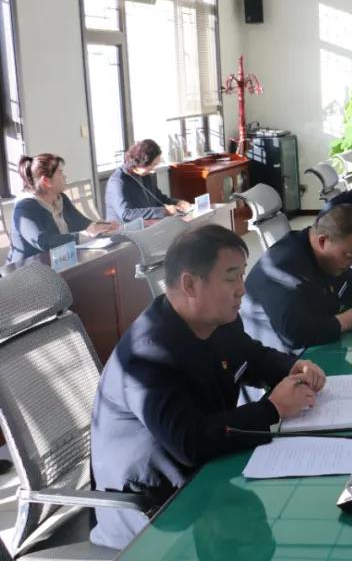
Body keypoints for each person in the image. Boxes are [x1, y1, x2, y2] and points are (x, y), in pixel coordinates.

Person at [89, 225, 327, 549]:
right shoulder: (147, 357)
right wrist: (272, 409)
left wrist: (292, 367)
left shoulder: (219, 321)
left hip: (212, 476)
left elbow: (252, 357)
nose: (241, 289)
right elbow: (189, 442)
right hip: (159, 511)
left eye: (242, 275)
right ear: (190, 284)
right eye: (231, 278)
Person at [241, 204, 352, 353]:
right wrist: (346, 321)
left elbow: (347, 278)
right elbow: (293, 334)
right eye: (349, 256)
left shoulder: (324, 254)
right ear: (322, 241)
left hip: (318, 342)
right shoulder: (284, 268)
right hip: (283, 355)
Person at [7, 153, 117, 264]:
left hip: (58, 264)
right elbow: (44, 242)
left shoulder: (60, 198)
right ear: (46, 181)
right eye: (60, 172)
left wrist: (102, 227)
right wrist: (85, 234)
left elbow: (82, 223)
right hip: (27, 271)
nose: (65, 176)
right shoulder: (25, 207)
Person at [105, 139, 191, 223]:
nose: (153, 169)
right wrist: (163, 211)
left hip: (148, 226)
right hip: (126, 230)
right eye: (152, 165)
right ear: (140, 162)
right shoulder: (117, 181)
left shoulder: (145, 175)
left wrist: (177, 202)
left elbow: (159, 198)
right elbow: (127, 214)